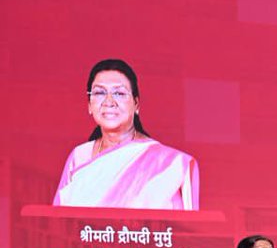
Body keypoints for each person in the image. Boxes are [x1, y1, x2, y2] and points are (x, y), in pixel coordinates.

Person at [54, 58, 199, 210]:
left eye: (119, 93)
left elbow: (182, 229)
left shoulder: (170, 164)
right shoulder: (79, 156)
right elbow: (58, 221)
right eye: (99, 92)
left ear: (136, 104)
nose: (109, 101)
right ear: (89, 105)